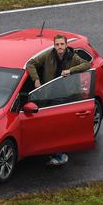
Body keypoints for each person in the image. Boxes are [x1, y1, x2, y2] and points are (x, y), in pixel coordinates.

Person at [25, 34, 92, 166]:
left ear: (66, 45)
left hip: (66, 96)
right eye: (57, 45)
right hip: (50, 94)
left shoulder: (72, 57)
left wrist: (70, 71)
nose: (59, 47)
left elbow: (87, 65)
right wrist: (36, 79)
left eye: (62, 44)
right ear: (54, 45)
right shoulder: (48, 55)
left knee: (58, 127)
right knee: (50, 126)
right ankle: (53, 151)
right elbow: (30, 63)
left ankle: (60, 155)